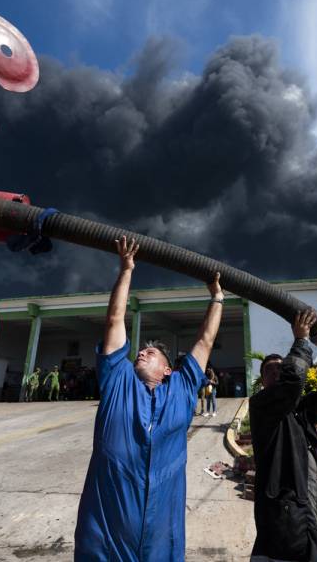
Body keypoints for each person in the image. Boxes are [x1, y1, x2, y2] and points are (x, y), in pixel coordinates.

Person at [74, 236, 224, 561]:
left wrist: (217, 297)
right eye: (141, 349)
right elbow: (114, 320)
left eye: (151, 352)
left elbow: (206, 340)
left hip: (161, 541)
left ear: (168, 370)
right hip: (104, 541)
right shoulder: (118, 380)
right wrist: (126, 269)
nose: (141, 351)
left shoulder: (182, 389)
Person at [249, 310, 317, 562]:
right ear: (263, 380)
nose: (277, 372)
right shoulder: (262, 406)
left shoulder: (300, 410)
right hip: (286, 516)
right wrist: (301, 341)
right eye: (270, 370)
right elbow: (292, 384)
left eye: (281, 367)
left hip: (312, 511)